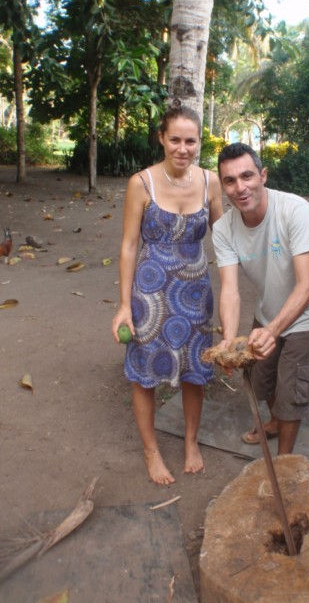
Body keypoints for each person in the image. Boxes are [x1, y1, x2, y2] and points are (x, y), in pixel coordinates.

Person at [112, 103, 223, 485]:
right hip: (150, 296)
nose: (182, 148)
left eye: (190, 140)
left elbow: (225, 243)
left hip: (195, 295)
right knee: (145, 374)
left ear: (199, 143)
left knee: (195, 371)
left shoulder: (211, 182)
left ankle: (191, 442)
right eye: (174, 139)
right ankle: (151, 450)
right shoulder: (140, 184)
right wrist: (124, 306)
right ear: (161, 138)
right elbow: (128, 246)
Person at [212, 142, 309, 455]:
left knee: (291, 389)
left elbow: (307, 286)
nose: (240, 187)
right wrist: (228, 341)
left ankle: (284, 460)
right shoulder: (223, 229)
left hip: (308, 314)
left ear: (263, 175)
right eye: (230, 180)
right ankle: (276, 422)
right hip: (267, 312)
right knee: (260, 379)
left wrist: (273, 331)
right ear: (223, 186)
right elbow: (230, 289)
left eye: (247, 176)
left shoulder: (295, 210)